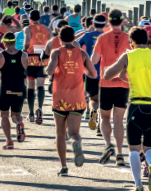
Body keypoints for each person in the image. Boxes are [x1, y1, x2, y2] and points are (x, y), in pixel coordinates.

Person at [104, 27, 151, 191]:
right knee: (150, 147)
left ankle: (138, 185)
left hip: (136, 106)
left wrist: (123, 68)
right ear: (148, 40)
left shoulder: (128, 56)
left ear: (132, 41)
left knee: (133, 149)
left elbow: (108, 75)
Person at [45, 26, 97, 176]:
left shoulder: (56, 52)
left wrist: (50, 70)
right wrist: (81, 69)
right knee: (74, 132)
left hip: (60, 98)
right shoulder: (82, 53)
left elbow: (49, 70)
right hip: (77, 99)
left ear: (59, 39)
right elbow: (93, 74)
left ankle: (63, 167)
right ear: (74, 39)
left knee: (60, 134)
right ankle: (76, 142)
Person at [91, 9, 131, 166]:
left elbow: (94, 60)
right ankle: (120, 153)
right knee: (119, 120)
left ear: (109, 22)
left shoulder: (102, 38)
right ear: (122, 21)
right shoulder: (129, 38)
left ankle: (108, 145)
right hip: (123, 82)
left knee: (105, 117)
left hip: (106, 82)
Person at [0, 31, 29, 149]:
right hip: (20, 88)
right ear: (14, 42)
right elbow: (25, 71)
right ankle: (18, 123)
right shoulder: (24, 56)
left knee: (4, 115)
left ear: (4, 42)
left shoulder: (0, 56)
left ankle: (9, 140)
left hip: (5, 89)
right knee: (16, 114)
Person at [77, 15, 105, 133]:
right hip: (106, 73)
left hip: (90, 72)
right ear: (104, 24)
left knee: (93, 99)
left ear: (93, 24)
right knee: (103, 101)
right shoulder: (107, 37)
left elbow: (76, 45)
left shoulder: (87, 35)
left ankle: (93, 110)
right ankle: (100, 126)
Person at [23, 10, 50, 125]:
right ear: (39, 18)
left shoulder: (28, 28)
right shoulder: (47, 29)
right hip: (43, 59)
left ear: (30, 18)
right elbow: (52, 42)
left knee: (30, 87)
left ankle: (31, 114)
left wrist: (24, 50)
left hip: (31, 59)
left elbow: (27, 42)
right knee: (40, 86)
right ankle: (39, 107)